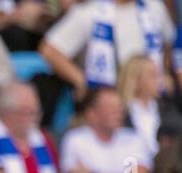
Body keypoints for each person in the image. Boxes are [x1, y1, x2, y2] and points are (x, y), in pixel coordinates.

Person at [40, 0, 174, 100]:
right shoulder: (90, 12)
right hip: (112, 98)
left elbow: (167, 43)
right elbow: (50, 50)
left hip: (152, 98)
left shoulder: (154, 7)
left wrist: (165, 73)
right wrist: (82, 81)